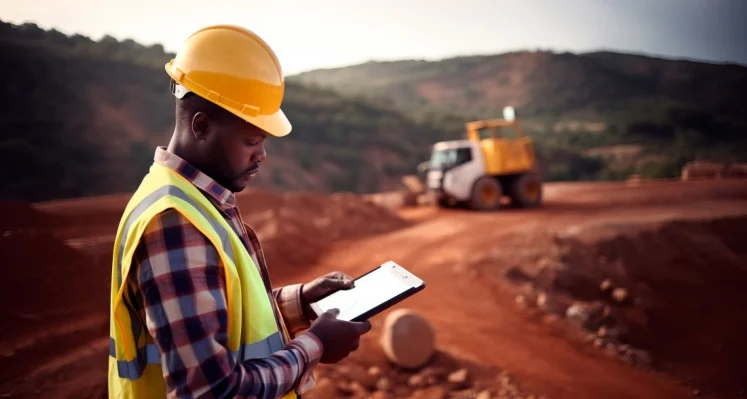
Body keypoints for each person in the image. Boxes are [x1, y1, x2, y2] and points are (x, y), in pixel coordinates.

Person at [107, 24, 372, 399]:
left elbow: (224, 322)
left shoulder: (193, 200)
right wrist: (316, 346)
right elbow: (211, 391)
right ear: (202, 126)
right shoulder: (174, 223)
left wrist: (301, 301)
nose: (261, 154)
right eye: (251, 140)